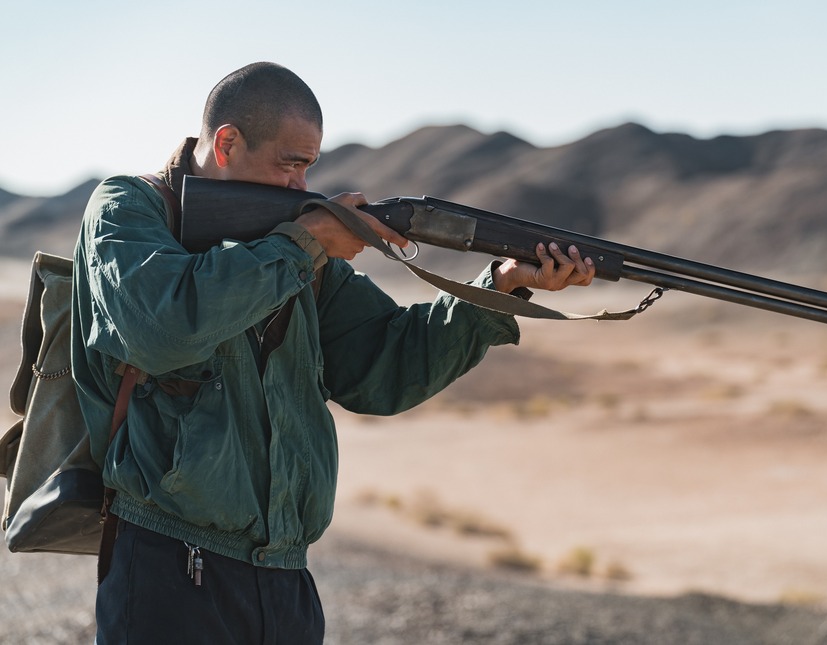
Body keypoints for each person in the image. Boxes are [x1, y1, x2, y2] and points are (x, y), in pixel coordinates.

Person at [71, 61, 595, 644]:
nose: (301, 186)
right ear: (226, 142)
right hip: (170, 568)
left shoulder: (295, 248)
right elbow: (165, 328)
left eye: (309, 167)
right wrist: (305, 245)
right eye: (289, 164)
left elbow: (386, 370)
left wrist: (499, 288)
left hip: (284, 580)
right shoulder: (129, 211)